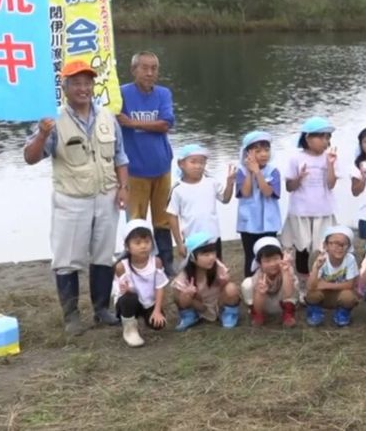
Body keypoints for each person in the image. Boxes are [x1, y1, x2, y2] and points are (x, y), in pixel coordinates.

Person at [23, 60, 130, 334]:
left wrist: (124, 187)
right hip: (71, 200)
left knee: (104, 255)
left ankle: (102, 310)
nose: (83, 89)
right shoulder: (52, 120)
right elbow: (30, 158)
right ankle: (71, 316)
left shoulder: (107, 117)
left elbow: (120, 156)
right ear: (65, 87)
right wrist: (42, 135)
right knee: (67, 258)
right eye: (77, 83)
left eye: (87, 83)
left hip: (107, 196)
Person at [119, 51, 177, 274]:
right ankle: (136, 261)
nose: (150, 73)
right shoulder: (122, 94)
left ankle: (166, 260)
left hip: (162, 166)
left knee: (163, 218)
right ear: (134, 70)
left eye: (154, 68)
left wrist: (132, 123)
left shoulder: (163, 93)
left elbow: (165, 124)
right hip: (134, 169)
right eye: (144, 68)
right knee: (136, 219)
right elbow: (113, 120)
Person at [282, 117, 339, 290]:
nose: (325, 141)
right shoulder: (296, 158)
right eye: (321, 137)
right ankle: (303, 285)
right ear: (308, 138)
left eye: (327, 137)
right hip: (300, 211)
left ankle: (324, 282)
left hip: (323, 210)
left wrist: (330, 165)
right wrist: (298, 178)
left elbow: (331, 184)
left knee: (324, 247)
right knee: (302, 248)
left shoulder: (330, 157)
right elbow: (289, 187)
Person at [167, 144, 236, 262]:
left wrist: (229, 183)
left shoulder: (211, 182)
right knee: (195, 270)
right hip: (192, 239)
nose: (198, 166)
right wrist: (179, 243)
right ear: (181, 164)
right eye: (193, 162)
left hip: (213, 237)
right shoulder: (177, 188)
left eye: (202, 162)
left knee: (215, 268)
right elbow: (172, 216)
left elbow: (225, 199)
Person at [112, 219, 168, 347]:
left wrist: (157, 310)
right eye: (137, 243)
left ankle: (144, 316)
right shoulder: (122, 266)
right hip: (130, 300)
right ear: (127, 247)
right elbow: (123, 292)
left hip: (148, 303)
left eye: (147, 242)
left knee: (159, 325)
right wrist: (127, 290)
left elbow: (159, 287)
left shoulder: (157, 262)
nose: (143, 246)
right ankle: (129, 328)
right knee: (128, 299)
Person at [235, 131, 282, 278]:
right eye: (258, 151)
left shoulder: (273, 171)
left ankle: (272, 283)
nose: (263, 154)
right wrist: (250, 172)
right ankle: (250, 285)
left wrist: (258, 173)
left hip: (268, 222)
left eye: (266, 150)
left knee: (270, 254)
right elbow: (246, 192)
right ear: (247, 153)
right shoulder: (241, 171)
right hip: (248, 222)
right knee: (251, 255)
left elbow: (268, 192)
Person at [174, 232, 242, 330]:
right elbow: (182, 302)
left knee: (231, 288)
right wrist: (187, 295)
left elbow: (229, 290)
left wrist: (224, 281)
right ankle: (190, 316)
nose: (211, 257)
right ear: (192, 258)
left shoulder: (218, 266)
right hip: (199, 306)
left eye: (213, 252)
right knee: (178, 294)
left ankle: (228, 314)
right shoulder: (185, 275)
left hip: (217, 303)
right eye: (205, 254)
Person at [305, 226, 360, 327]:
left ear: (348, 247)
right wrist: (316, 268)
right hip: (322, 295)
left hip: (339, 295)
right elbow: (310, 286)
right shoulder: (321, 259)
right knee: (312, 294)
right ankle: (315, 311)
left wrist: (325, 284)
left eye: (343, 244)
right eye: (334, 243)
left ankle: (342, 313)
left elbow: (350, 284)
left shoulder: (350, 259)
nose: (339, 247)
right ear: (325, 245)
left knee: (349, 297)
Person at [241, 237, 297, 328]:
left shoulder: (286, 269)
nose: (272, 264)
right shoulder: (258, 276)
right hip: (264, 305)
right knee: (247, 284)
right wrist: (260, 293)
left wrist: (285, 273)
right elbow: (258, 307)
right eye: (267, 261)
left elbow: (288, 294)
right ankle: (257, 315)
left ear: (281, 258)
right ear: (259, 263)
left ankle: (288, 313)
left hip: (282, 302)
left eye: (276, 259)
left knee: (293, 282)